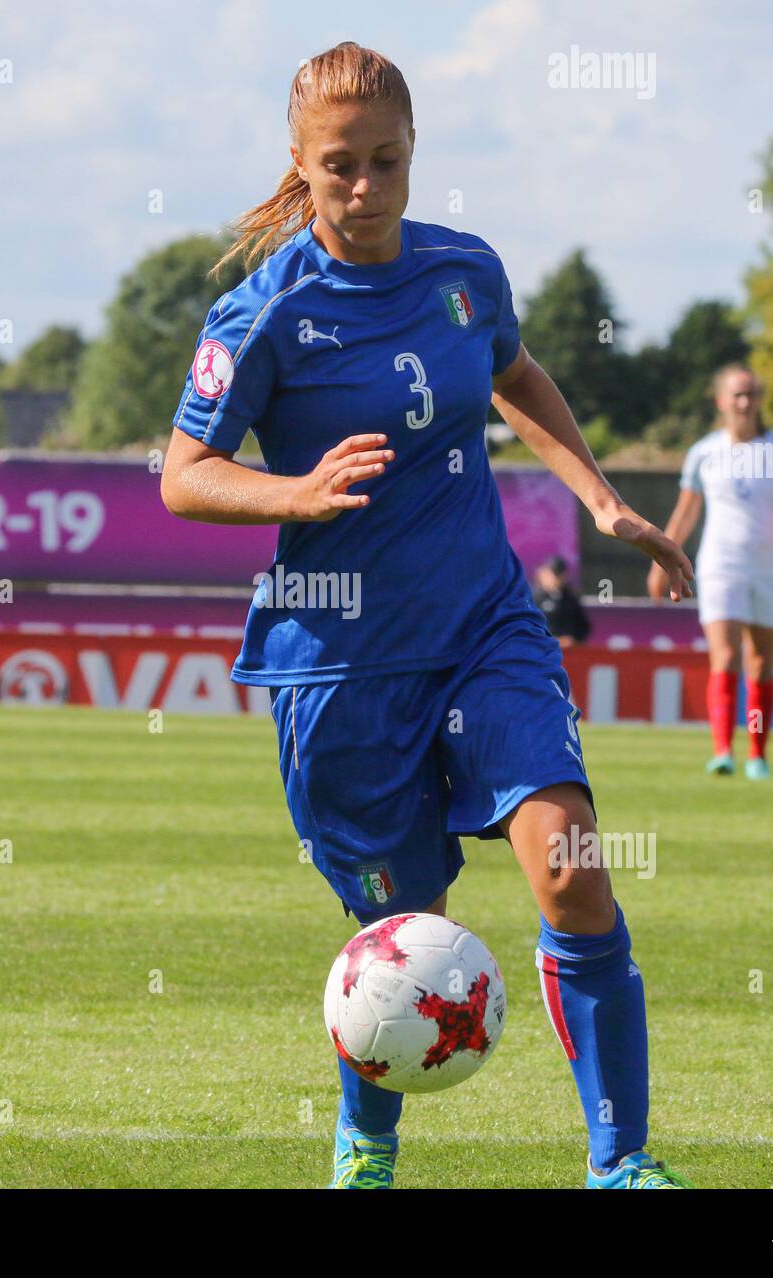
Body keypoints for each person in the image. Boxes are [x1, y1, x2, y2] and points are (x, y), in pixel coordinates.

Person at [162, 42, 694, 1189]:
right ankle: (369, 1140)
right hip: (342, 662)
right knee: (402, 935)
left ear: (414, 156)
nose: (363, 189)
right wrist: (292, 492)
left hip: (483, 628)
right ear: (299, 166)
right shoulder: (262, 314)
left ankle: (622, 1162)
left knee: (571, 866)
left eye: (385, 162)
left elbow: (516, 376)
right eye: (339, 166)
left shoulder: (464, 271)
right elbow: (183, 474)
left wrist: (598, 498)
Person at [648, 364, 773, 779]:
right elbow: (685, 513)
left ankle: (757, 755)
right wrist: (661, 557)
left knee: (761, 662)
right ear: (721, 401)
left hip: (770, 568)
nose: (745, 402)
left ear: (759, 400)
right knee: (724, 655)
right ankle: (722, 750)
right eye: (737, 395)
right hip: (720, 564)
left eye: (751, 394)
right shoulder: (704, 451)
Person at [533, 554, 591, 648]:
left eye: (559, 574)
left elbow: (583, 626)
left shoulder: (571, 599)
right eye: (553, 574)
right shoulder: (535, 599)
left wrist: (572, 639)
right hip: (543, 651)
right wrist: (551, 640)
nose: (557, 578)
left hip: (570, 652)